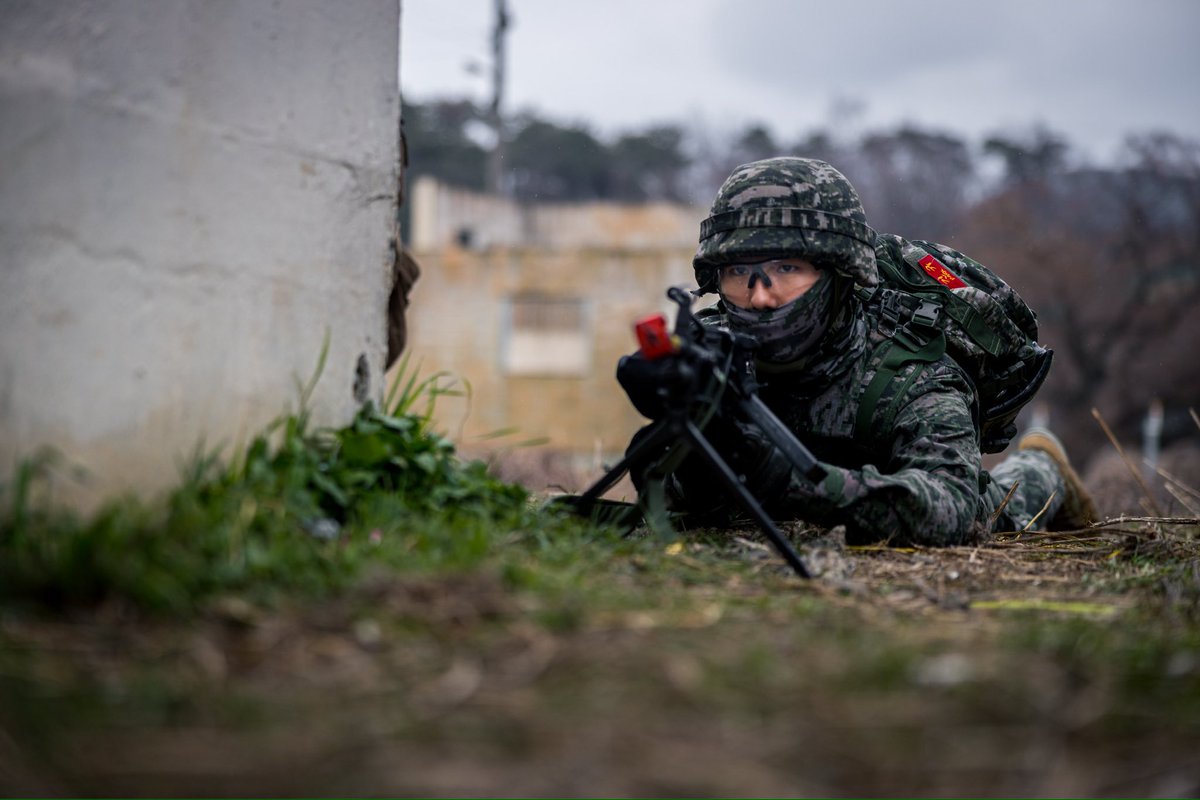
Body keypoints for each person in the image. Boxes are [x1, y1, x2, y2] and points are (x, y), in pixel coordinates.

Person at [617, 157, 1097, 546]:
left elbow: (949, 509)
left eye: (786, 268)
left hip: (904, 483)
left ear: (839, 275)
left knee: (1002, 506)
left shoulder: (911, 369)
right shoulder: (713, 351)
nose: (760, 296)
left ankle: (1044, 466)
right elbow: (681, 500)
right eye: (740, 274)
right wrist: (691, 434)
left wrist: (784, 479)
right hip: (807, 496)